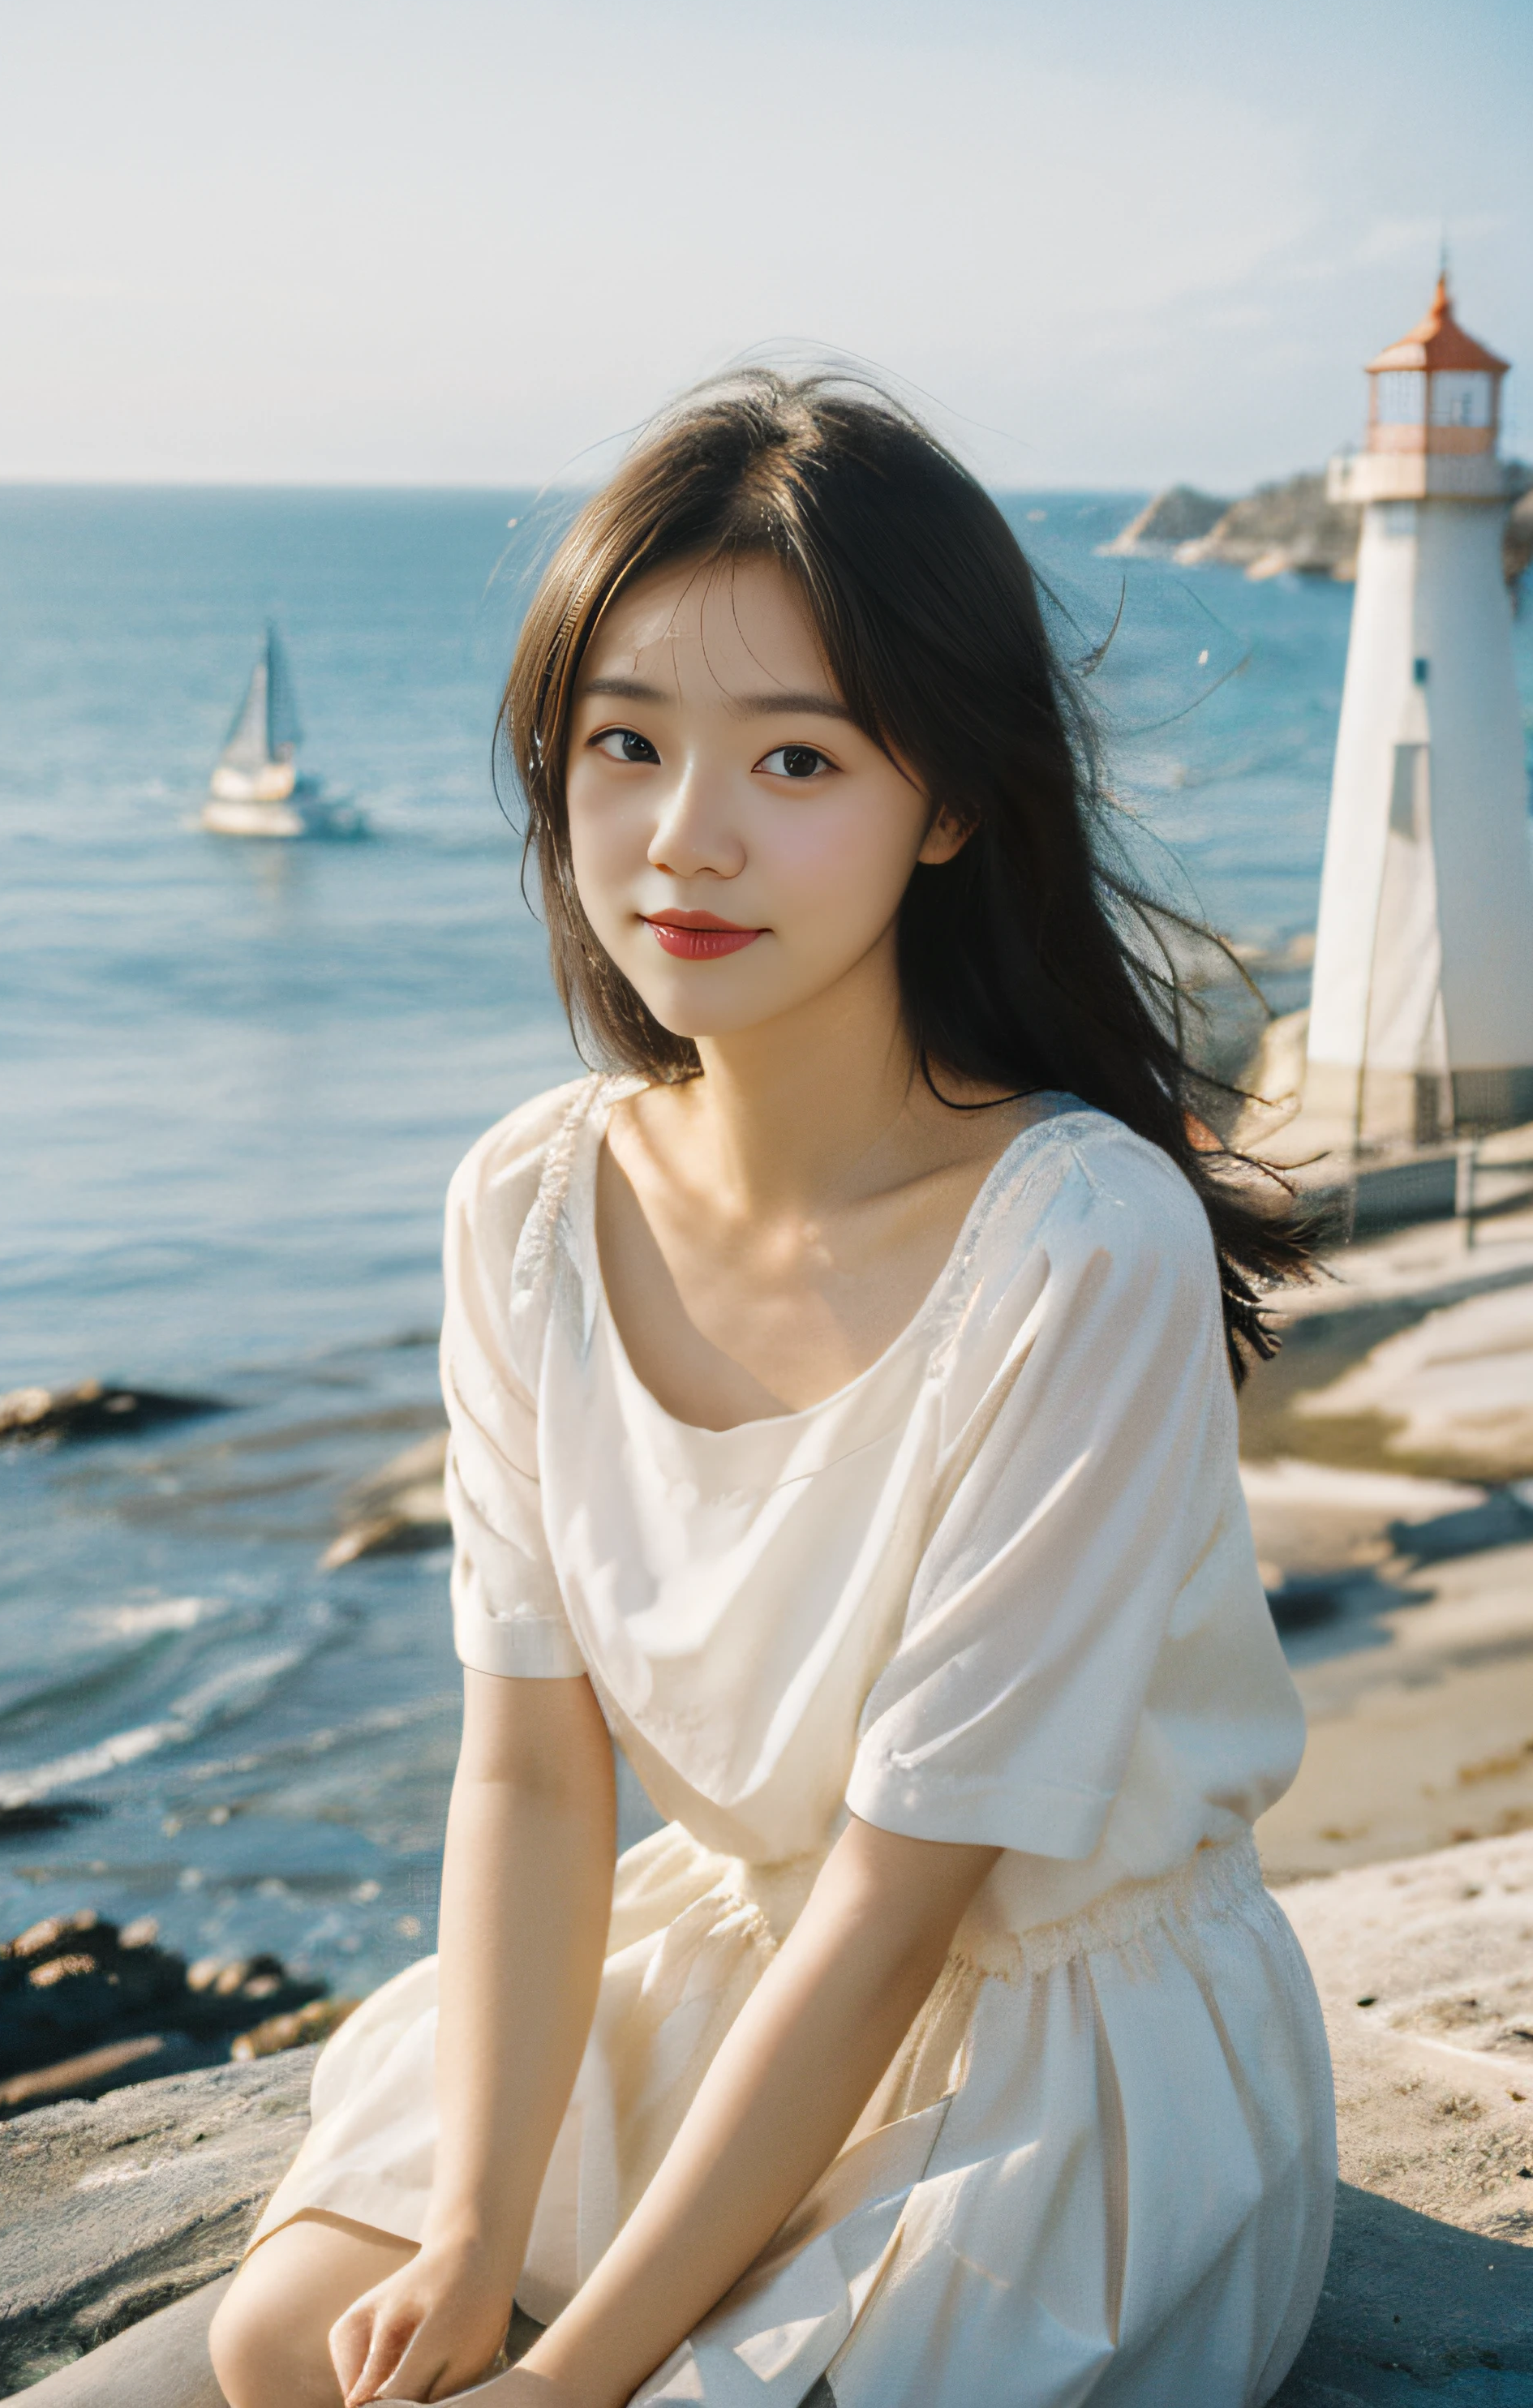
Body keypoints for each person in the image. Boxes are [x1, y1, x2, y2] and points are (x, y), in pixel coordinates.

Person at [208, 372, 1336, 2408]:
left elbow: (911, 1903)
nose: (685, 839)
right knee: (289, 2346)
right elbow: (533, 1774)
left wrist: (575, 2378)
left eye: (796, 758)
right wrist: (473, 2243)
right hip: (734, 1960)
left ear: (954, 801)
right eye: (622, 744)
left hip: (1053, 2055)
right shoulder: (532, 1205)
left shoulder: (1081, 1243)